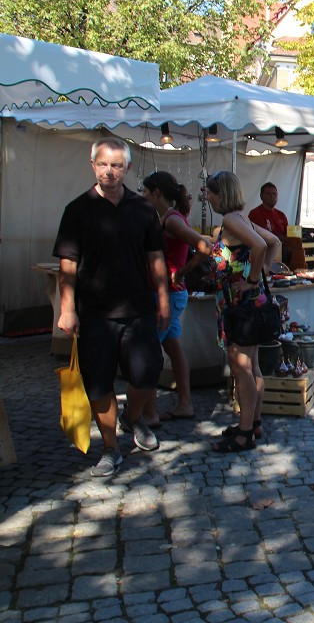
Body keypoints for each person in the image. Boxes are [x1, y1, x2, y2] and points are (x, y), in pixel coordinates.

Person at [53, 138, 169, 476]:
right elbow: (67, 265)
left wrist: (163, 299)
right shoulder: (77, 210)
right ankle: (110, 448)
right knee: (99, 384)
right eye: (103, 164)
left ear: (127, 168)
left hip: (139, 309)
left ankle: (131, 419)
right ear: (93, 165)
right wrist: (67, 308)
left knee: (147, 375)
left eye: (116, 165)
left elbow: (157, 259)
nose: (109, 171)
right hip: (94, 314)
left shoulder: (144, 209)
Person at [205, 171, 281, 453]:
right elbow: (273, 241)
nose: (208, 198)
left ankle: (245, 432)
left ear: (220, 193)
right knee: (253, 366)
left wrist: (250, 280)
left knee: (242, 369)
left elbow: (263, 244)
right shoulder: (242, 218)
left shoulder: (230, 220)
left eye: (211, 193)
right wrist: (261, 273)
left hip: (240, 306)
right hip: (249, 303)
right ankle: (253, 422)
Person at [141, 172, 212, 423]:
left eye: (145, 192)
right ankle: (185, 404)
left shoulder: (171, 220)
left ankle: (147, 415)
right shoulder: (167, 217)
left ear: (156, 193)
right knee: (173, 348)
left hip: (169, 294)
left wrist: (181, 271)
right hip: (171, 294)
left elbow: (205, 246)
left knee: (147, 353)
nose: (143, 196)